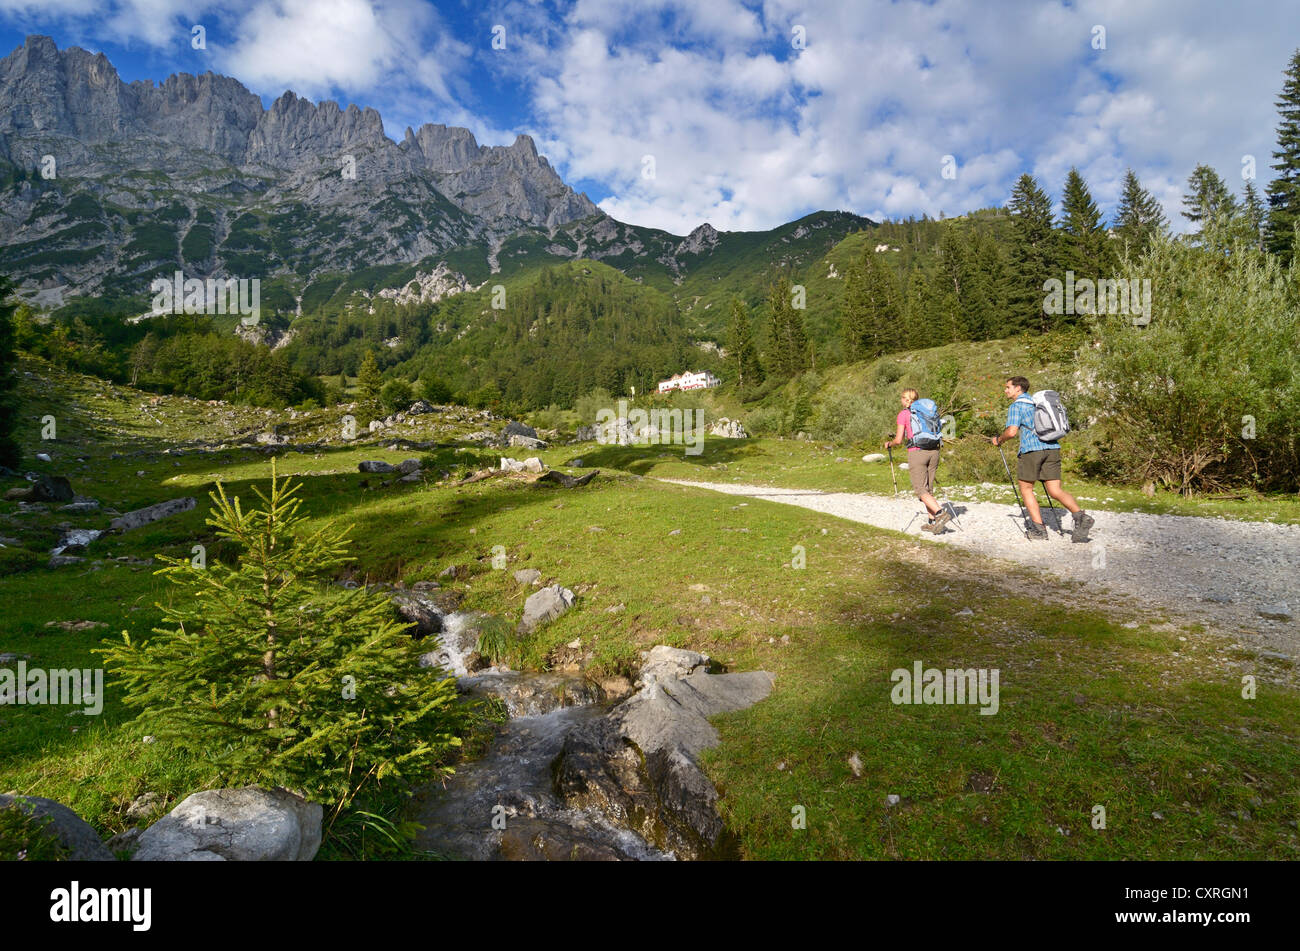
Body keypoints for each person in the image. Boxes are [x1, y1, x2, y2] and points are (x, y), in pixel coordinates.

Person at [990, 376, 1095, 542]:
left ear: (1018, 388)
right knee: (1055, 490)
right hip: (1052, 448)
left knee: (1026, 489)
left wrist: (998, 440)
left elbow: (1011, 432)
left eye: (1008, 387)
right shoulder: (1037, 403)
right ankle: (1081, 517)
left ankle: (1039, 530)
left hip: (1032, 450)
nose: (1005, 390)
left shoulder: (1017, 406)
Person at [884, 388, 951, 533]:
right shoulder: (927, 412)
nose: (901, 400)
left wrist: (889, 444)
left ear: (907, 400)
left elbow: (898, 439)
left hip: (917, 452)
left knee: (921, 489)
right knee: (928, 488)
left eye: (902, 398)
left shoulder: (904, 414)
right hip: (934, 451)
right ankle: (932, 521)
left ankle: (940, 513)